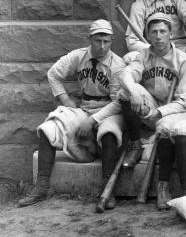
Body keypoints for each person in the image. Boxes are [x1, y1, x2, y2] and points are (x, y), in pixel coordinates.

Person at [18, 20, 126, 210]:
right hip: (84, 106)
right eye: (98, 40)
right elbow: (53, 74)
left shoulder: (117, 64)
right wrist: (65, 100)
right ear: (89, 39)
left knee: (109, 132)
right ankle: (41, 187)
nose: (102, 46)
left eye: (106, 41)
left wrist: (92, 120)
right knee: (48, 128)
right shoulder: (78, 56)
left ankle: (108, 191)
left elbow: (118, 102)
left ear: (112, 41)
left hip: (109, 109)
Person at [119, 13, 186, 210]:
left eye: (163, 31)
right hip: (153, 107)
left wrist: (161, 113)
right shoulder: (144, 55)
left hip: (178, 110)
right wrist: (133, 92)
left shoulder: (184, 60)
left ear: (171, 33)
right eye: (153, 32)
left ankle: (163, 184)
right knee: (125, 92)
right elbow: (127, 74)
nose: (158, 36)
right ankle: (136, 144)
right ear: (147, 34)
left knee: (166, 127)